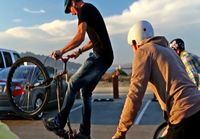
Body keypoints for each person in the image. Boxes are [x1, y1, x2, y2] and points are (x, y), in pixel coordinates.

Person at [112, 20, 200, 139]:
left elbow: (135, 94)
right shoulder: (170, 52)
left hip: (183, 114)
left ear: (134, 43)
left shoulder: (143, 51)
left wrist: (121, 131)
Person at [43, 0, 113, 138]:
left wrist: (61, 51)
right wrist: (79, 51)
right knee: (86, 92)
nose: (71, 13)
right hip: (106, 57)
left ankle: (59, 121)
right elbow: (94, 40)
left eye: (70, 10)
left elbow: (80, 36)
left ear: (73, 2)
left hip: (100, 56)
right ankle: (85, 134)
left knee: (73, 83)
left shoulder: (84, 9)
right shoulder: (90, 10)